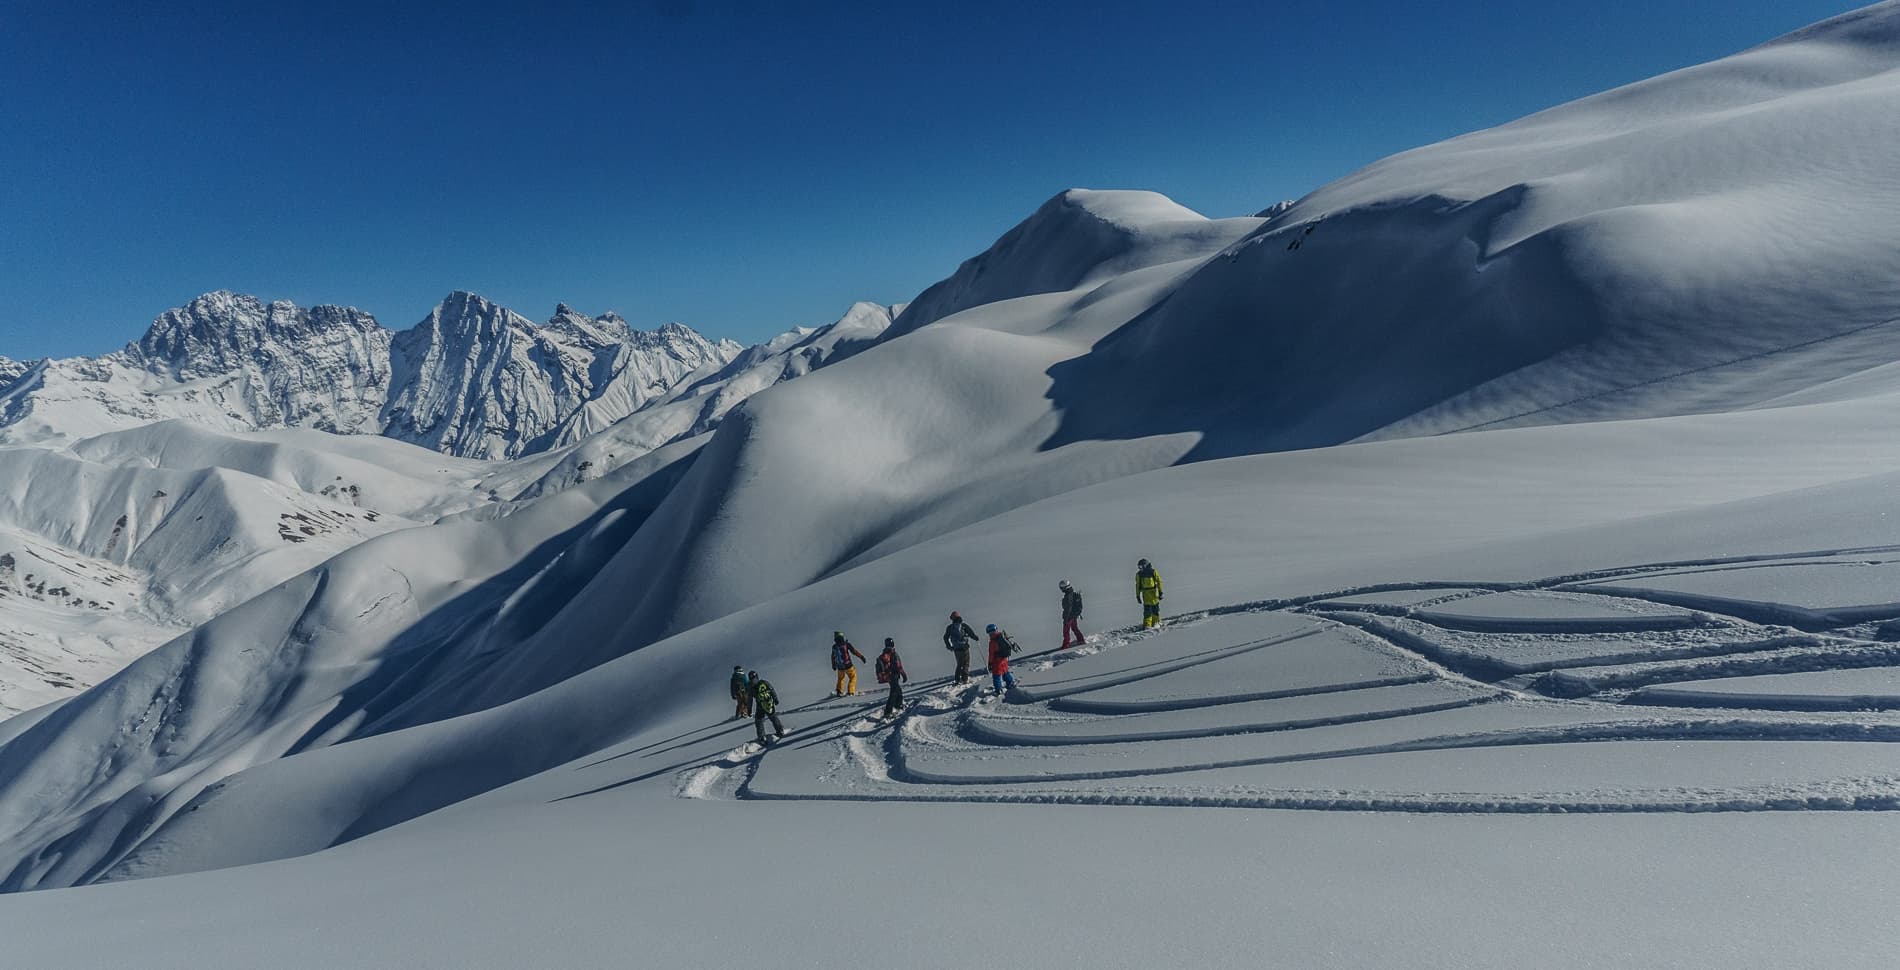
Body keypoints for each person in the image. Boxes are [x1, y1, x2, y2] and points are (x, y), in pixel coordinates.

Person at [748, 670, 786, 743]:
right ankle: (780, 730)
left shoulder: (751, 687)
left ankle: (762, 738)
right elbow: (772, 690)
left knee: (759, 721)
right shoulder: (764, 682)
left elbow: (749, 699)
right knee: (773, 717)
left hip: (760, 706)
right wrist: (775, 699)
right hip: (769, 703)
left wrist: (749, 709)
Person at [875, 637, 909, 718]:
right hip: (894, 675)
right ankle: (888, 712)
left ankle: (898, 705)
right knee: (894, 693)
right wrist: (904, 675)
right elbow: (898, 666)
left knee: (897, 690)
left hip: (888, 676)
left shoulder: (884, 653)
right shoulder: (893, 653)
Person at [943, 611, 979, 685]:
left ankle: (957, 679)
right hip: (965, 648)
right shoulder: (963, 625)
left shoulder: (950, 627)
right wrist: (976, 638)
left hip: (956, 649)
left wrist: (949, 646)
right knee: (966, 663)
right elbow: (971, 633)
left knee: (959, 664)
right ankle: (964, 679)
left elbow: (945, 637)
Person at [830, 631, 867, 696]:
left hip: (840, 666)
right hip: (848, 665)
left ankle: (839, 690)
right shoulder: (846, 644)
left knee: (841, 678)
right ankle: (851, 691)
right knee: (853, 677)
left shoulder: (834, 647)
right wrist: (861, 657)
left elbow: (833, 657)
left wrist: (834, 665)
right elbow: (854, 651)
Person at [986, 623, 1018, 695]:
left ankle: (998, 690)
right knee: (1005, 672)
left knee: (996, 676)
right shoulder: (1001, 636)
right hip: (1004, 659)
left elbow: (991, 654)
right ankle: (1010, 683)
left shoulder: (993, 642)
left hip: (997, 661)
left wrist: (990, 663)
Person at [1135, 558, 1164, 629]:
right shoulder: (1139, 574)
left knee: (1155, 609)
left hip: (1153, 593)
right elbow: (1137, 585)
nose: (1140, 568)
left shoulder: (1153, 572)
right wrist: (1138, 596)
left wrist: (1161, 592)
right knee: (1147, 610)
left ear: (1145, 565)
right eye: (1139, 567)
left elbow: (1159, 581)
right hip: (1145, 594)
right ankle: (1147, 624)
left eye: (1141, 566)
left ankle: (1156, 622)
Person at [1059, 580, 1085, 648]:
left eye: (1062, 587)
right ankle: (1080, 639)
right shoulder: (1071, 592)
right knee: (1074, 628)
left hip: (1069, 616)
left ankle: (1066, 645)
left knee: (1066, 631)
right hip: (1074, 615)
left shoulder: (1068, 596)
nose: (1061, 589)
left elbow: (1068, 608)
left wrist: (1066, 619)